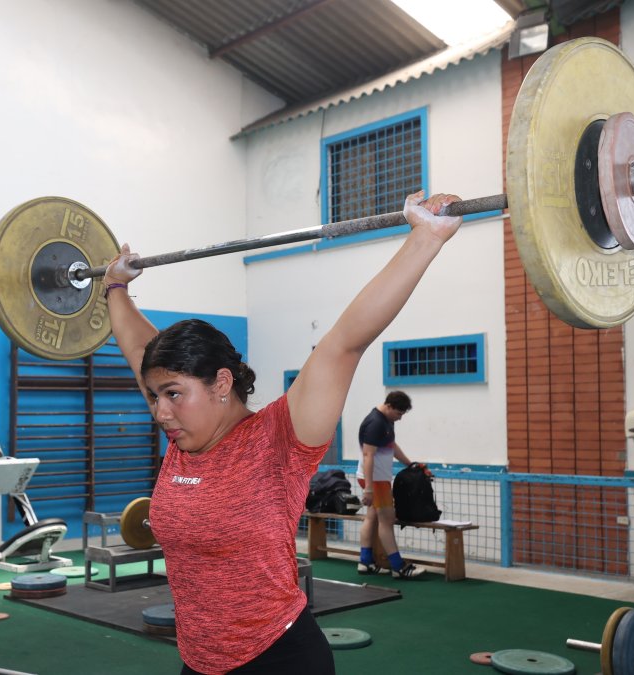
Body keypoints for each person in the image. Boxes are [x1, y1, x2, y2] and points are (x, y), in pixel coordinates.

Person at [103, 191, 461, 675]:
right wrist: (114, 289)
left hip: (277, 658)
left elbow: (345, 344)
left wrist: (425, 238)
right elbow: (140, 348)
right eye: (153, 397)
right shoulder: (183, 436)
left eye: (172, 394)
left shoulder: (277, 439)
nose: (160, 412)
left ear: (221, 384)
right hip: (200, 659)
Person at [356, 391, 424, 579]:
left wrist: (410, 464)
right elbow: (368, 455)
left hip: (377, 479)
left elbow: (391, 446)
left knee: (372, 517)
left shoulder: (386, 420)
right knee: (387, 520)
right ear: (389, 406)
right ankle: (398, 567)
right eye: (399, 414)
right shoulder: (376, 423)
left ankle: (365, 561)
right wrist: (369, 488)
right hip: (375, 481)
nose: (400, 418)